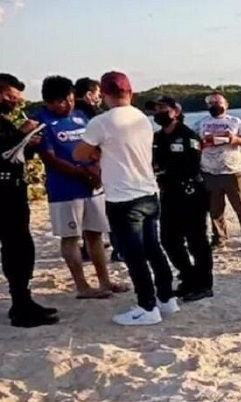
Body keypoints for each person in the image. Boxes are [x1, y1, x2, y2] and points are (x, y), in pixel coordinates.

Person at [74, 71, 178, 326]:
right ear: (130, 93)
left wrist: (97, 150)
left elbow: (79, 153)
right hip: (148, 192)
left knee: (134, 255)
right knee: (153, 249)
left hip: (123, 197)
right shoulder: (141, 118)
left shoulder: (102, 121)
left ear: (106, 95)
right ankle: (166, 298)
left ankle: (146, 306)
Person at [35, 75, 129, 299]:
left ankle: (105, 281)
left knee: (95, 234)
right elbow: (49, 157)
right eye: (60, 102)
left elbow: (95, 145)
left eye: (69, 99)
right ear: (48, 102)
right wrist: (81, 173)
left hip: (92, 186)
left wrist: (96, 168)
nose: (66, 105)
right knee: (71, 237)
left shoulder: (81, 115)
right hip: (64, 190)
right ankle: (82, 286)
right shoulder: (41, 120)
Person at [0, 73, 59, 328]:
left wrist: (30, 143)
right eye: (12, 97)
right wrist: (19, 135)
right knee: (16, 248)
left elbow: (13, 154)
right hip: (2, 195)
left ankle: (22, 300)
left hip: (13, 192)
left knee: (21, 249)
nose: (16, 103)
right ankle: (21, 306)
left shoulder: (4, 122)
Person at [152, 96, 213, 302]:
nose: (159, 112)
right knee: (169, 240)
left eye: (163, 108)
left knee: (197, 241)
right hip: (168, 195)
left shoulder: (188, 135)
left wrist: (165, 170)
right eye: (156, 109)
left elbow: (192, 165)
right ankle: (188, 276)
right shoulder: (156, 138)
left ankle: (204, 284)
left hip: (191, 193)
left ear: (176, 111)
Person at [196, 92, 241, 251]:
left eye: (217, 102)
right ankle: (219, 238)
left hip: (232, 171)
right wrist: (202, 144)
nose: (214, 105)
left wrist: (235, 139)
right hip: (209, 171)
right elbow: (193, 143)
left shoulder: (235, 122)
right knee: (215, 210)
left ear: (226, 104)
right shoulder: (201, 123)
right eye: (210, 103)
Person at [73, 77, 124, 263]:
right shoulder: (95, 115)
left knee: (88, 215)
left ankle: (88, 247)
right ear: (89, 94)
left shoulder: (69, 114)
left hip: (77, 169)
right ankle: (119, 249)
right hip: (97, 167)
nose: (99, 98)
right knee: (109, 211)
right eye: (97, 94)